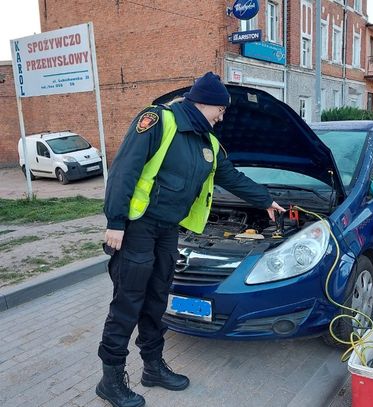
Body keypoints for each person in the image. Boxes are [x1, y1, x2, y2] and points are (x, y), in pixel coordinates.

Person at [96, 71, 285, 407]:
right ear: (205, 103)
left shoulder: (207, 143)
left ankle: (153, 367)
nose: (222, 116)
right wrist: (116, 221)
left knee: (156, 301)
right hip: (138, 228)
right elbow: (125, 169)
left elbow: (231, 177)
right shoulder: (158, 121)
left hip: (168, 230)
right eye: (221, 110)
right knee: (128, 302)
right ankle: (110, 380)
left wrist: (264, 199)